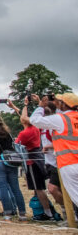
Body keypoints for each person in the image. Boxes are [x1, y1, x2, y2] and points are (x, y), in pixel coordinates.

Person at [29, 92, 78, 221]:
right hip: (71, 161)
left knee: (76, 196)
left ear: (63, 104)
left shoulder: (61, 119)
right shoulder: (69, 117)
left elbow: (35, 120)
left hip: (69, 162)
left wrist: (40, 106)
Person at [10, 99, 56, 221]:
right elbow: (23, 117)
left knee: (38, 189)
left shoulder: (24, 133)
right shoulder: (35, 128)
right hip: (39, 160)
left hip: (32, 163)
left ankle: (48, 214)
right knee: (39, 188)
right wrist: (15, 107)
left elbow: (15, 147)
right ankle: (46, 210)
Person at [0, 113, 26, 221]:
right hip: (11, 161)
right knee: (16, 188)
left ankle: (8, 213)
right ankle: (22, 213)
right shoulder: (7, 132)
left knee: (2, 187)